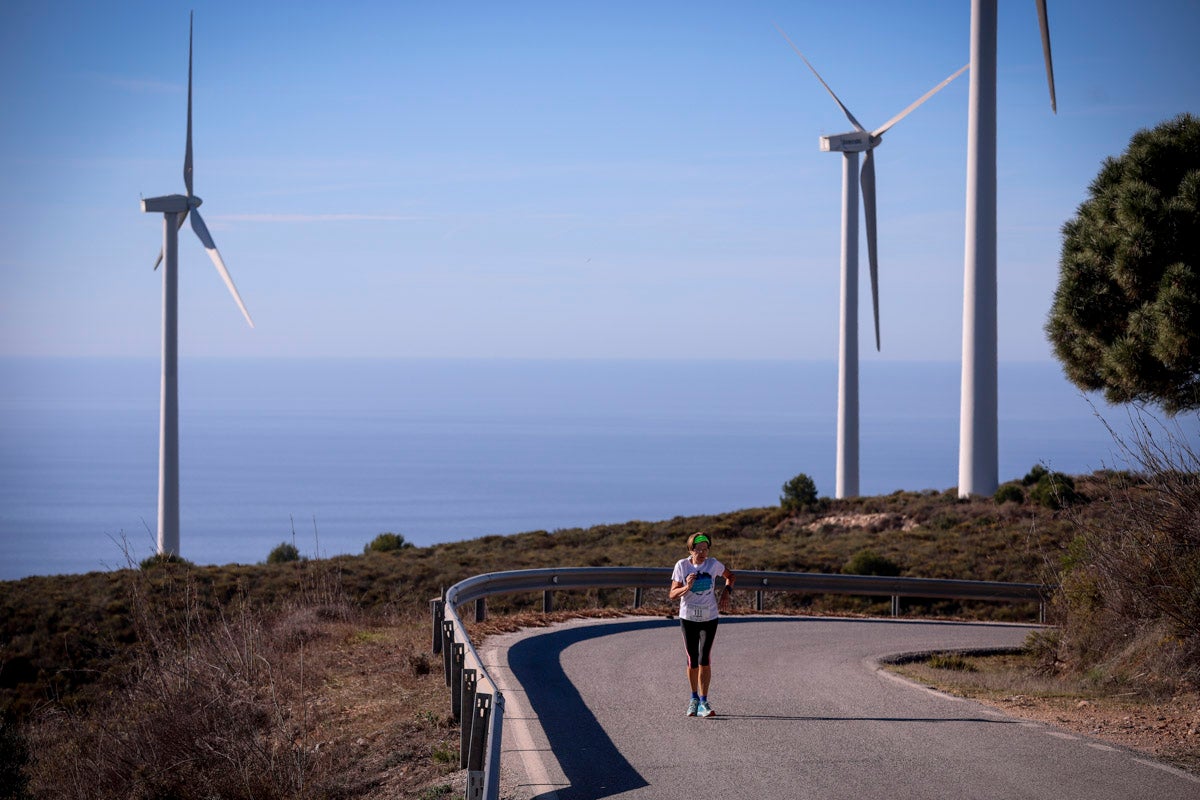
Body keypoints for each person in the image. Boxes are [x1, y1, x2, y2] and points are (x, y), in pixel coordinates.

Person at [669, 531, 734, 717]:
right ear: (691, 549)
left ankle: (704, 702)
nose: (703, 553)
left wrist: (726, 592)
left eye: (706, 549)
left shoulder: (713, 564)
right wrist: (687, 587)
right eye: (699, 550)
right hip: (688, 617)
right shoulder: (682, 566)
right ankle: (693, 699)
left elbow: (731, 576)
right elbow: (672, 594)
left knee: (704, 658)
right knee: (692, 658)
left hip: (709, 617)